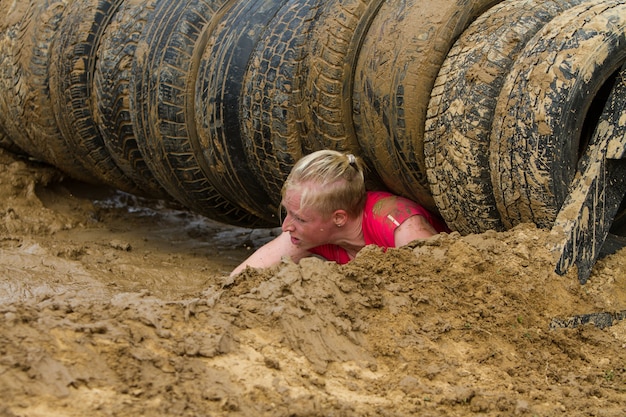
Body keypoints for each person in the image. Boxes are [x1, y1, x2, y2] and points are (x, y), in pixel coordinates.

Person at [230, 150, 449, 276]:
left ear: (339, 218)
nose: (286, 226)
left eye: (300, 218)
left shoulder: (401, 226)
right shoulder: (305, 235)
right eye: (288, 212)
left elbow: (441, 282)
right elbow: (242, 279)